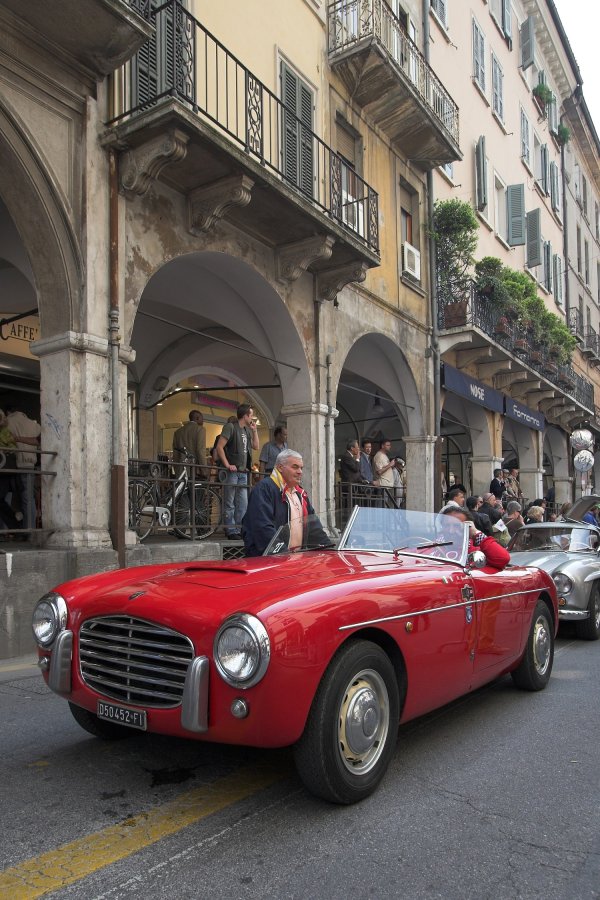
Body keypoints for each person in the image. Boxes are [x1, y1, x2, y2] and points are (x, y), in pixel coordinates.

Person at [242, 449, 328, 557]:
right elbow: (263, 528)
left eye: (301, 468)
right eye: (295, 467)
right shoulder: (264, 489)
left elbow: (314, 528)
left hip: (294, 562)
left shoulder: (301, 494)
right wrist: (284, 554)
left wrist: (329, 549)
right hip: (269, 563)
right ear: (280, 467)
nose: (300, 471)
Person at [216, 402, 259, 539]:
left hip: (243, 472)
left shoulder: (247, 430)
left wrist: (254, 430)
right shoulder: (230, 427)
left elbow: (256, 446)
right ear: (246, 415)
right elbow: (219, 447)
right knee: (230, 501)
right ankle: (231, 530)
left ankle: (240, 529)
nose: (252, 418)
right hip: (232, 471)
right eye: (251, 415)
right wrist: (228, 464)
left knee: (243, 503)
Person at [440, 505, 510, 571]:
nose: (451, 531)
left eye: (457, 526)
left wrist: (476, 533)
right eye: (446, 526)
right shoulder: (432, 550)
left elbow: (503, 559)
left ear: (468, 527)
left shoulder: (478, 552)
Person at [6, 404, 41, 532]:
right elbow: (39, 440)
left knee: (6, 497)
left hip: (12, 465)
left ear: (8, 412)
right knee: (28, 498)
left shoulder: (7, 421)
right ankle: (29, 530)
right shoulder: (33, 424)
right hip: (29, 464)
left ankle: (6, 530)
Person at [0, 410, 20, 534]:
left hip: (3, 471)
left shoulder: (6, 432)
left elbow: (13, 449)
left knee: (0, 500)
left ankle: (16, 527)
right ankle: (16, 527)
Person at [172, 410, 206, 476]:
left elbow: (175, 453)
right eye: (202, 419)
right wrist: (204, 470)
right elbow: (200, 451)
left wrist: (176, 468)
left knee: (182, 486)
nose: (203, 421)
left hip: (181, 469)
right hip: (194, 470)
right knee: (193, 486)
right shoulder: (200, 429)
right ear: (197, 418)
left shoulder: (178, 432)